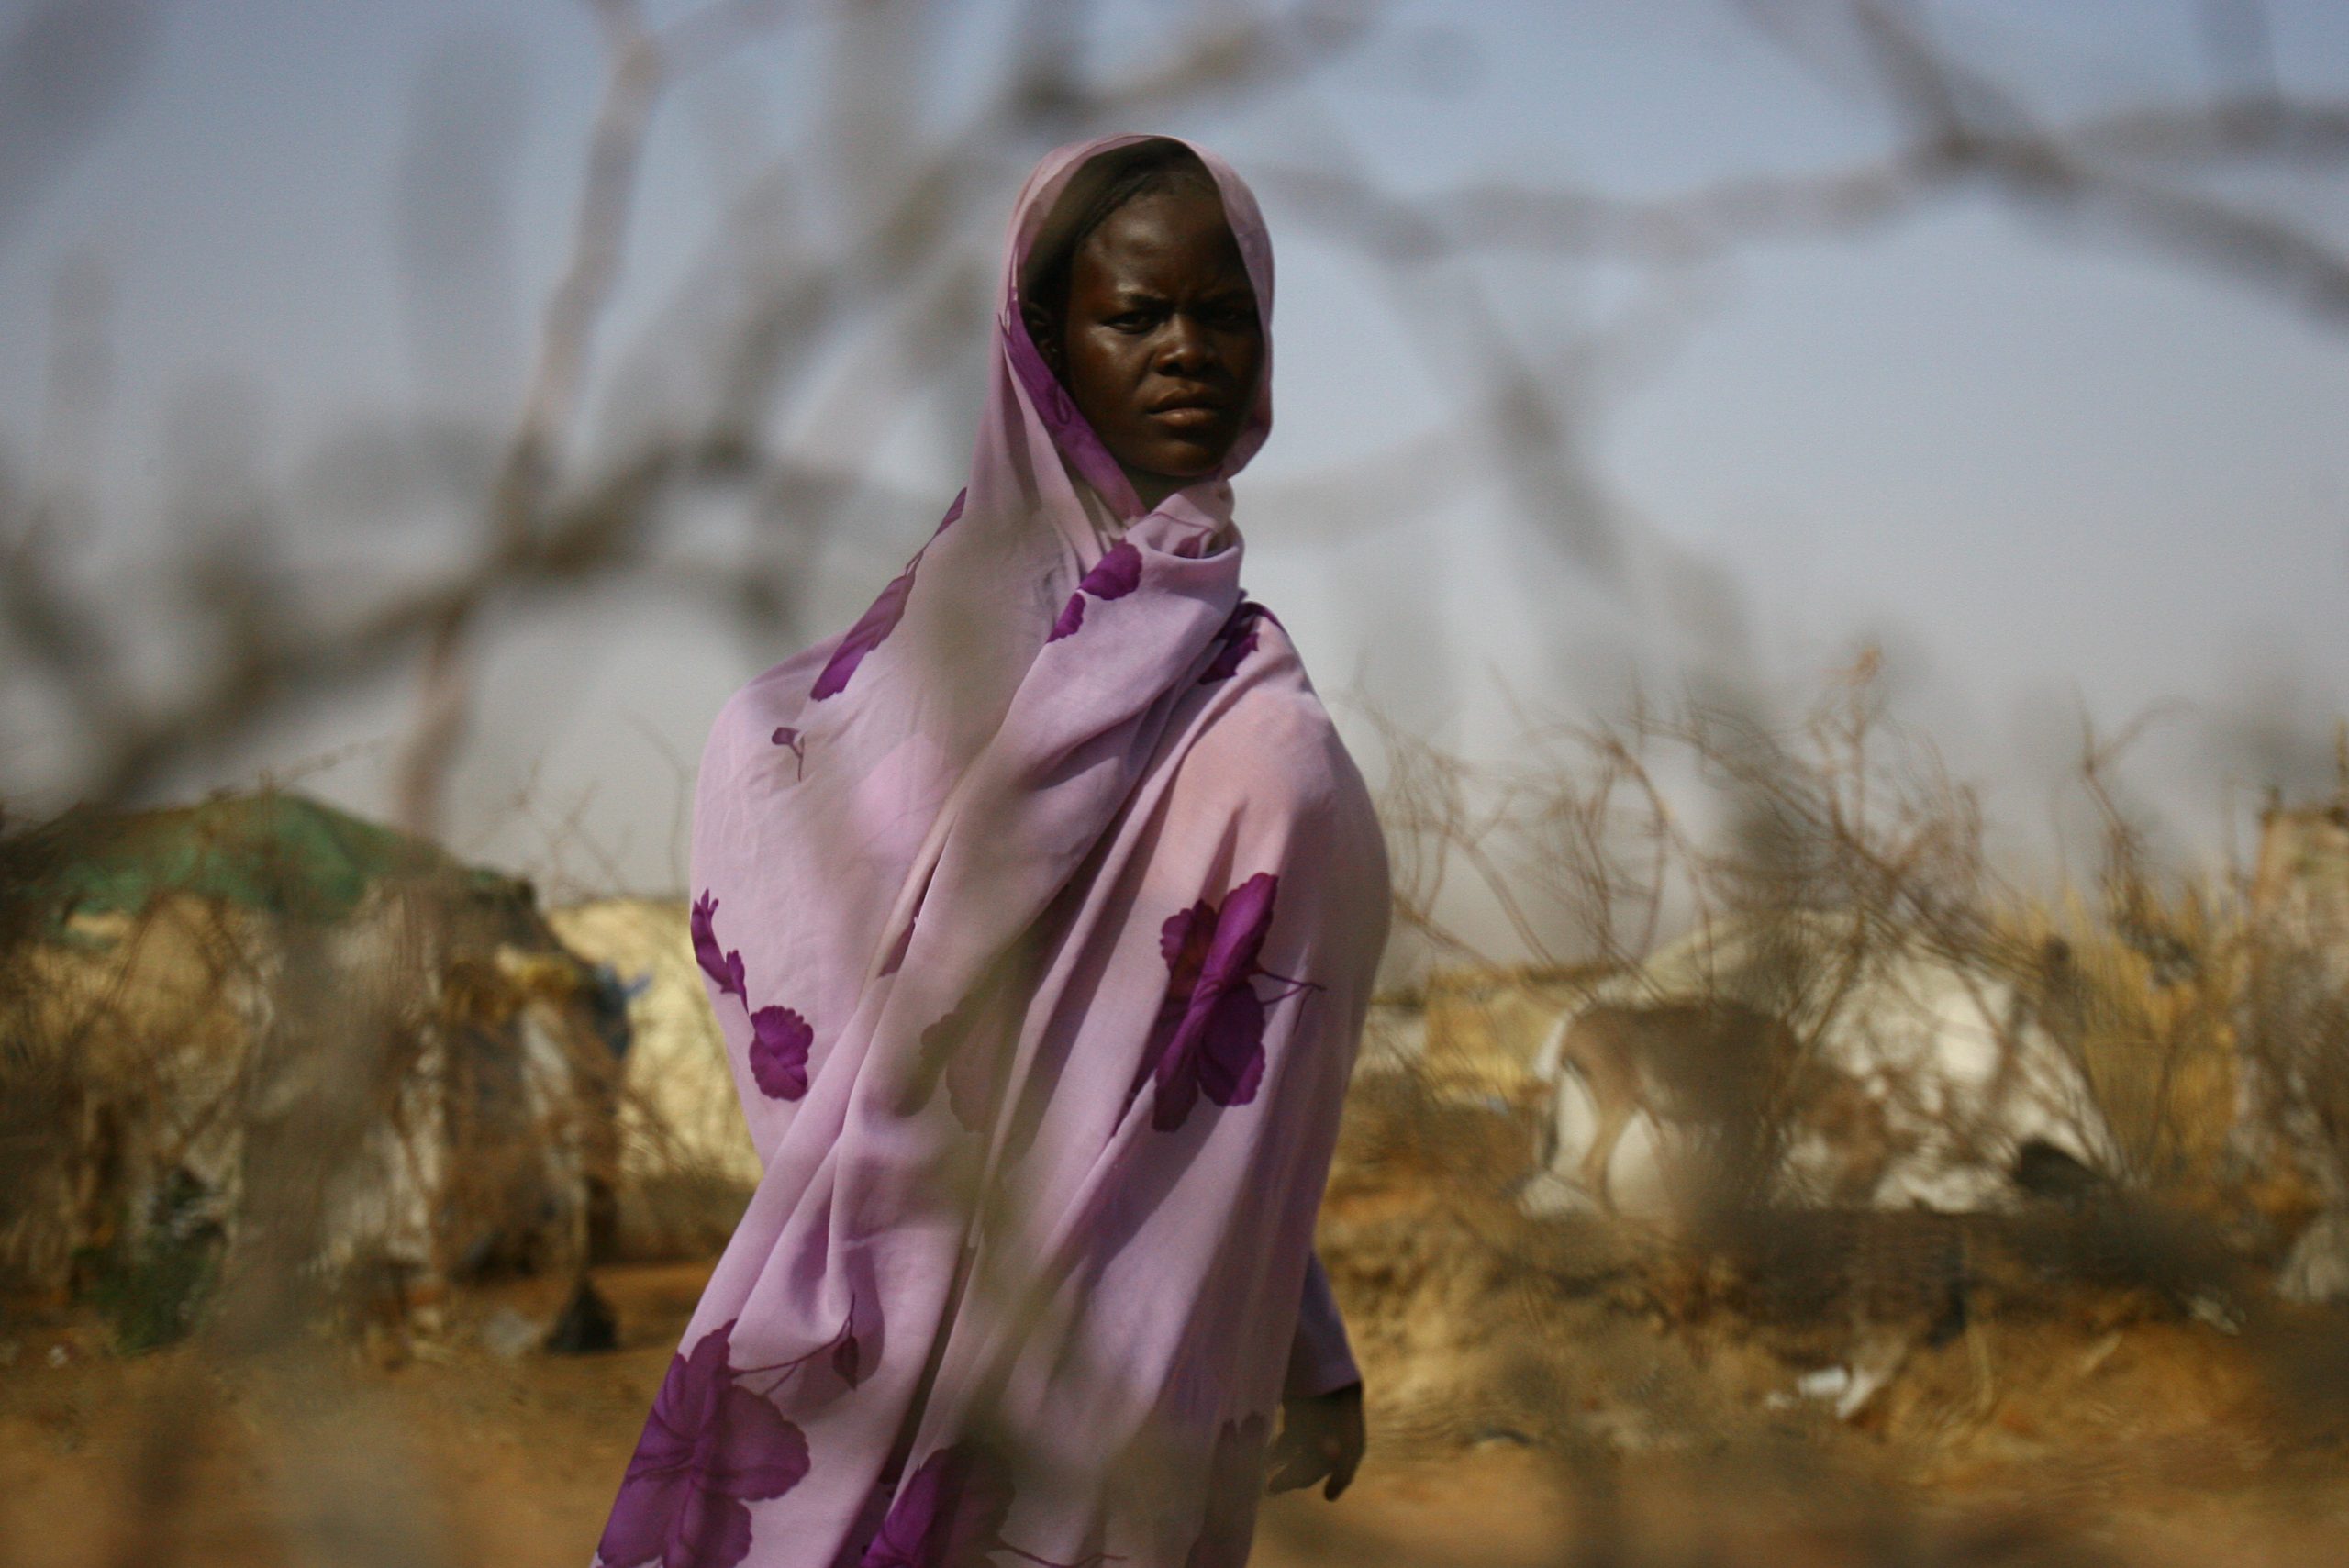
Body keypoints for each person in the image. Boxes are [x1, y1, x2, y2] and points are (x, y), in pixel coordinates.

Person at [593, 134, 1387, 1568]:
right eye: (1135, 315)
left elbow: (1190, 1070)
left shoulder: (1236, 678)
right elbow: (854, 1036)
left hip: (1149, 1373)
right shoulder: (898, 694)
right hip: (882, 1346)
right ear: (1039, 345)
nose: (1187, 350)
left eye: (1225, 314)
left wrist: (1298, 1328)